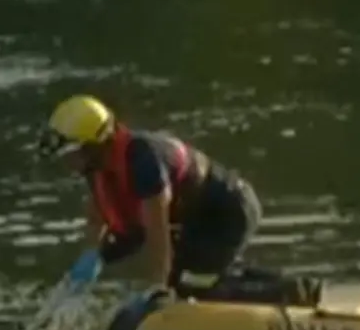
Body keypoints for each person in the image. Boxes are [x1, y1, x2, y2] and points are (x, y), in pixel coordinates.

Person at [38, 94, 262, 308]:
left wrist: (157, 288)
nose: (67, 163)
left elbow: (157, 233)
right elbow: (97, 219)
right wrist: (89, 258)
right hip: (194, 222)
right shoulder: (97, 168)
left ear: (93, 146)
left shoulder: (144, 161)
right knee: (183, 282)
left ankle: (273, 295)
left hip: (226, 213)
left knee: (190, 288)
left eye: (71, 154)